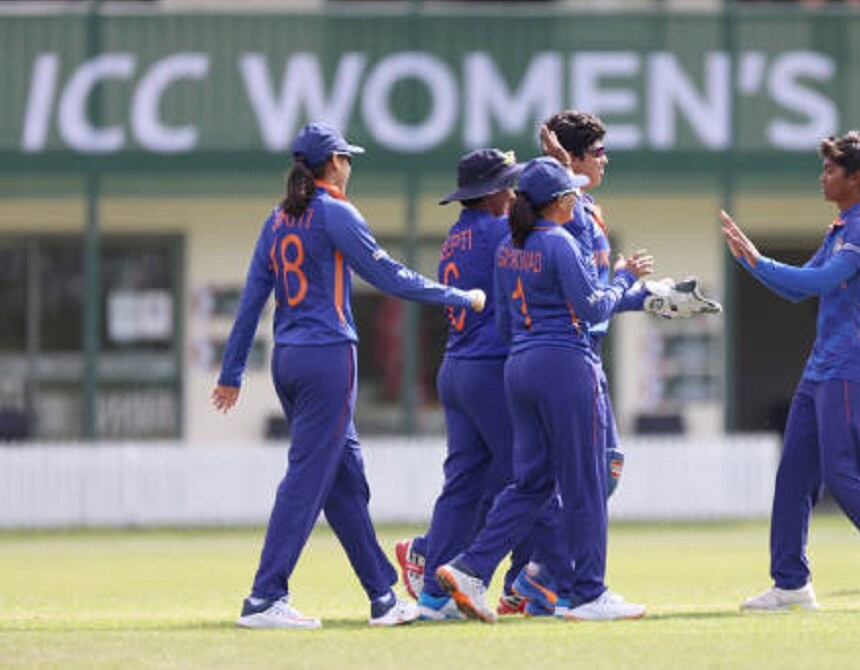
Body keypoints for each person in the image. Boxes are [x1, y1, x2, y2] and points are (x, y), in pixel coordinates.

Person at [212, 122, 485, 630]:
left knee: (345, 483)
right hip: (327, 359)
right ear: (334, 162)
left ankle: (382, 596)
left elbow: (252, 300)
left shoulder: (277, 220)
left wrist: (231, 372)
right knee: (309, 478)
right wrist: (456, 296)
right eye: (348, 158)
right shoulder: (335, 212)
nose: (350, 167)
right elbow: (388, 275)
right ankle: (264, 597)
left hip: (288, 361)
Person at [721, 131, 860, 613]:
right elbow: (802, 289)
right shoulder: (842, 226)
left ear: (856, 177)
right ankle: (791, 585)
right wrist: (753, 261)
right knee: (794, 476)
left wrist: (756, 259)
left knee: (844, 475)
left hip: (854, 365)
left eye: (830, 170)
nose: (822, 177)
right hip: (823, 366)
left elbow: (816, 281)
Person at [436, 157, 653, 623]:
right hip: (564, 367)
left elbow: (503, 320)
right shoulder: (558, 242)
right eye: (571, 193)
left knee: (530, 483)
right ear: (558, 202)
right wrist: (624, 278)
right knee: (585, 484)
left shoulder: (510, 246)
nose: (578, 198)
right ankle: (589, 592)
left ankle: (471, 569)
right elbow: (594, 309)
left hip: (519, 367)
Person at [396, 148, 544, 621]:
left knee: (462, 483)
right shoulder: (498, 230)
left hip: (456, 367)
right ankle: (499, 577)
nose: (515, 193)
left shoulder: (458, 235)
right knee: (525, 478)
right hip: (488, 368)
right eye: (509, 186)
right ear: (493, 193)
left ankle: (434, 594)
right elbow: (545, 237)